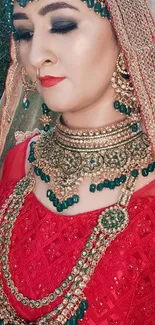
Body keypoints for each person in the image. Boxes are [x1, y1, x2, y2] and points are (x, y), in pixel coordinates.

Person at [0, 0, 155, 324]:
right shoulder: (19, 162)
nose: (35, 54)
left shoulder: (148, 190)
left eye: (63, 26)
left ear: (122, 31)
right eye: (25, 32)